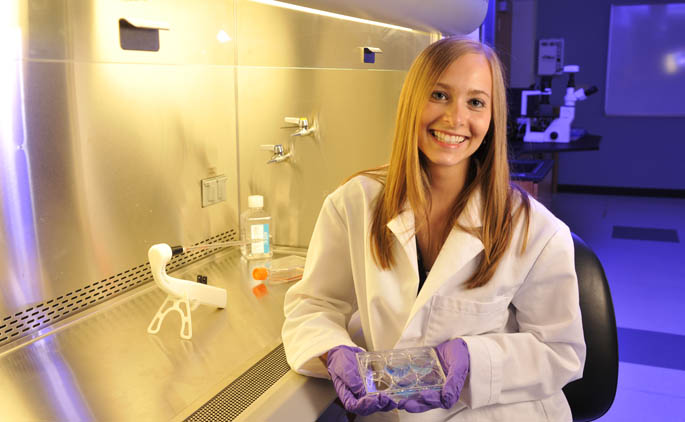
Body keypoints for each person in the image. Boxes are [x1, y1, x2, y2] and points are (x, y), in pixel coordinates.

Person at [281, 37, 586, 422]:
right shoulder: (354, 204)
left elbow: (561, 352)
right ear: (412, 102)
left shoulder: (536, 232)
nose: (455, 118)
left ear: (492, 118)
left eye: (476, 102)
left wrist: (473, 359)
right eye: (439, 95)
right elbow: (315, 304)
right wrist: (333, 351)